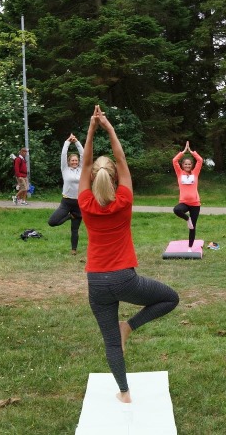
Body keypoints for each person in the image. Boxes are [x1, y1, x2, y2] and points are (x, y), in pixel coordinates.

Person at [78, 105, 179, 404]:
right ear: (114, 178)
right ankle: (130, 326)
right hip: (124, 278)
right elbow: (120, 159)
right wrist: (107, 127)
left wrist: (91, 129)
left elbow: (84, 165)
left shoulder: (84, 202)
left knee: (111, 342)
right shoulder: (124, 199)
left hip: (96, 282)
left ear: (93, 178)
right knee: (170, 298)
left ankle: (124, 393)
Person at [48, 134, 84, 255]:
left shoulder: (82, 169)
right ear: (69, 162)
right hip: (66, 202)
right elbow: (63, 155)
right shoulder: (65, 169)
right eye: (72, 160)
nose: (74, 162)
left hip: (79, 203)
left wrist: (77, 142)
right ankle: (70, 216)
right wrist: (67, 142)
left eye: (76, 160)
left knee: (75, 229)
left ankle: (74, 250)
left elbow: (83, 154)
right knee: (52, 222)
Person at [172, 141, 203, 249]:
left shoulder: (195, 173)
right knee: (176, 210)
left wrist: (192, 152)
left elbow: (200, 160)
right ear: (182, 165)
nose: (187, 166)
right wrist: (184, 151)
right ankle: (187, 219)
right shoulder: (179, 173)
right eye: (185, 164)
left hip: (195, 204)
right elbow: (174, 160)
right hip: (184, 203)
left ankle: (190, 247)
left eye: (189, 164)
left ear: (192, 165)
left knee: (192, 227)